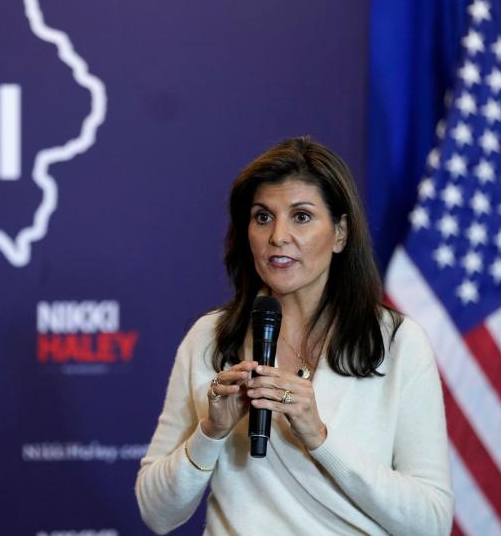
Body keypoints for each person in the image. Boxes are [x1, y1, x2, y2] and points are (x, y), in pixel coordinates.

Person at [135, 137, 453, 535]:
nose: (278, 236)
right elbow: (156, 512)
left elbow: (431, 523)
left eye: (301, 216)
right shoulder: (211, 338)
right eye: (262, 217)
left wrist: (319, 437)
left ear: (340, 234)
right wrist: (211, 433)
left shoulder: (397, 343)